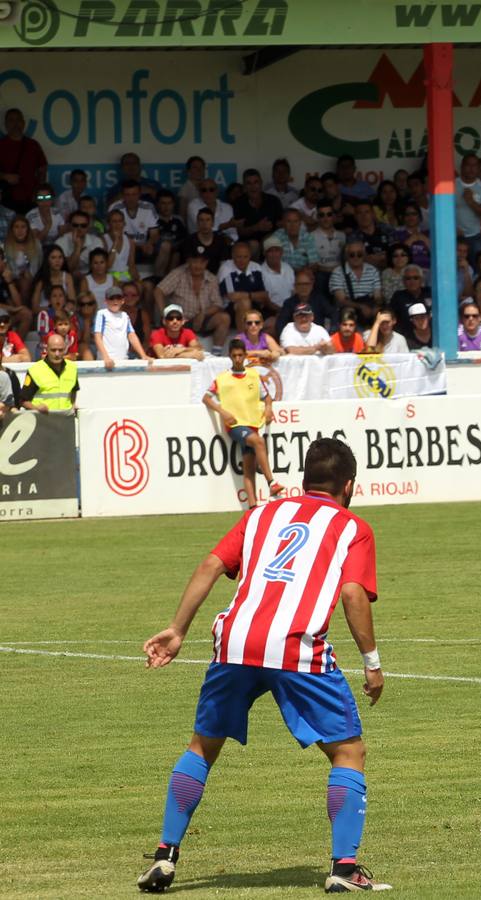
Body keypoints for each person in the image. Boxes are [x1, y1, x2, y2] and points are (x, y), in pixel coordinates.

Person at [135, 438, 389, 893]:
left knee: (202, 747)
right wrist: (372, 664)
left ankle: (164, 856)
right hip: (295, 646)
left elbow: (212, 564)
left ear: (305, 477)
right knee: (348, 753)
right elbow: (352, 595)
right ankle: (344, 868)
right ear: (348, 485)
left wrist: (177, 628)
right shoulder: (353, 526)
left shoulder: (260, 514)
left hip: (234, 642)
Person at [202, 338, 285, 507]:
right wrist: (223, 412)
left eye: (240, 355)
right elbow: (206, 398)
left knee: (248, 469)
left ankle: (252, 507)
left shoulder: (254, 375)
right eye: (234, 356)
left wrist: (268, 409)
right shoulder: (222, 378)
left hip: (252, 423)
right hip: (235, 425)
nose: (238, 359)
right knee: (259, 441)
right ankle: (271, 482)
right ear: (230, 357)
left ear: (245, 355)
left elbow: (267, 397)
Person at [18, 332, 77, 412]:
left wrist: (73, 405)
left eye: (60, 350)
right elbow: (23, 400)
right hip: (44, 421)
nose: (57, 354)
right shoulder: (35, 370)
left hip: (65, 421)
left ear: (65, 349)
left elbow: (73, 391)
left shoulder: (72, 368)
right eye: (53, 350)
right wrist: (36, 408)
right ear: (47, 349)